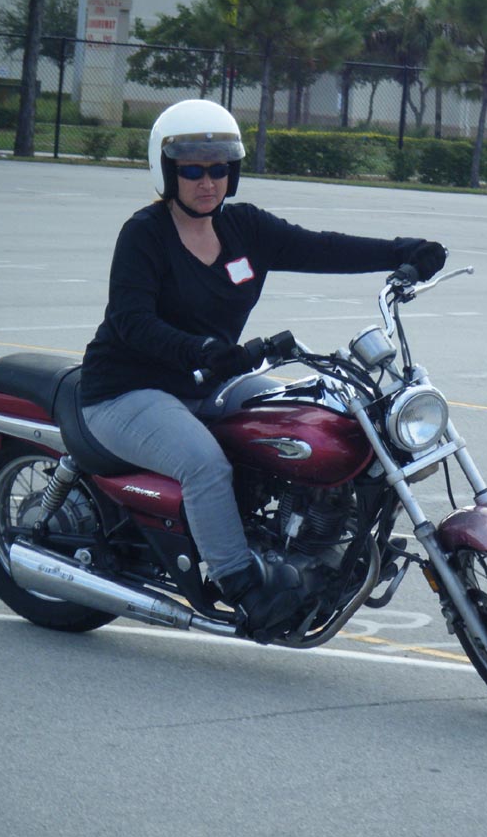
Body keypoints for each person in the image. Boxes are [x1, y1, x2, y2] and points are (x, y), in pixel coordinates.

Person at [80, 98, 446, 637]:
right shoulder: (145, 233)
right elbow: (131, 321)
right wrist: (203, 349)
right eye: (193, 170)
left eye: (219, 169)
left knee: (317, 420)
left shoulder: (244, 228)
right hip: (127, 390)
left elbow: (321, 248)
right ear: (167, 171)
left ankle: (321, 546)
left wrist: (403, 252)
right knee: (205, 465)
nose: (208, 182)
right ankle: (242, 586)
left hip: (213, 380)